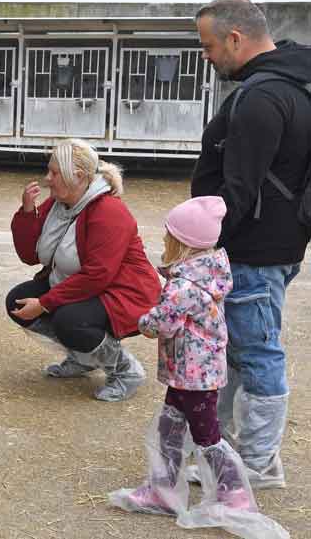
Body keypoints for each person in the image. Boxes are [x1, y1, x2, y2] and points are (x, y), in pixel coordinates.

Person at [110, 197, 289, 539]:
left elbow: (161, 321)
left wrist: (144, 320)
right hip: (189, 372)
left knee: (207, 436)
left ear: (183, 244)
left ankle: (233, 496)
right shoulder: (207, 272)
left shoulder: (184, 286)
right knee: (170, 427)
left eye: (168, 238)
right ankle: (163, 488)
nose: (163, 243)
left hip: (194, 375)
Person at [191, 0, 311, 489]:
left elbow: (238, 190)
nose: (207, 56)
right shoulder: (294, 84)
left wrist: (202, 244)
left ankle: (258, 464)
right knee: (238, 350)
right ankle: (233, 454)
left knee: (257, 353)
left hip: (253, 252)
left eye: (208, 45)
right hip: (273, 244)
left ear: (235, 38)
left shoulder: (263, 95)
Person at [5, 139, 160, 402]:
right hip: (84, 281)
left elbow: (98, 274)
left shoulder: (109, 211)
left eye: (54, 173)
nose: (47, 179)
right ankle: (84, 357)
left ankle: (125, 370)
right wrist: (27, 213)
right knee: (16, 301)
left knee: (70, 320)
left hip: (124, 291)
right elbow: (30, 255)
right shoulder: (58, 203)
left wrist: (44, 303)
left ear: (76, 176)